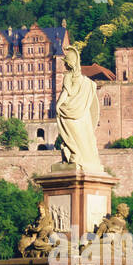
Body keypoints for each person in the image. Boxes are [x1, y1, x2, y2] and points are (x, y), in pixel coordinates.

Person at [55, 45, 104, 174]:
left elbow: (65, 92)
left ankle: (75, 157)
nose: (64, 66)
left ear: (69, 64)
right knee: (85, 138)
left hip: (70, 112)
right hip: (83, 115)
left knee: (71, 137)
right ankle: (84, 159)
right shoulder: (86, 81)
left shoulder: (68, 76)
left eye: (65, 63)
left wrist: (58, 105)